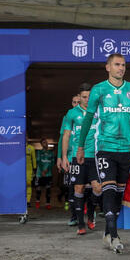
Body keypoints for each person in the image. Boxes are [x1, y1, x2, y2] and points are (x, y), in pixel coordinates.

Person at [77, 53, 130, 253]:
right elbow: (88, 119)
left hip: (126, 149)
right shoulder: (98, 90)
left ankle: (108, 232)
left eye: (124, 65)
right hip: (105, 148)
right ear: (107, 67)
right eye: (117, 64)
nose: (121, 68)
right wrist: (81, 146)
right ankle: (115, 235)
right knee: (107, 188)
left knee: (118, 193)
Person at [62, 83, 101, 235]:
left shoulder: (98, 111)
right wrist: (64, 156)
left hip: (95, 157)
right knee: (79, 188)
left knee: (97, 188)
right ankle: (80, 223)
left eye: (89, 97)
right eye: (84, 97)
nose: (87, 100)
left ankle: (91, 215)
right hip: (77, 158)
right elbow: (66, 135)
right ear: (79, 97)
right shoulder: (71, 114)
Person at [57, 95, 80, 225]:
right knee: (71, 187)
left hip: (85, 156)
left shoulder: (89, 115)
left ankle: (89, 212)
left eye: (78, 102)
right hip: (70, 158)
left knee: (86, 187)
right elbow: (61, 138)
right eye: (74, 102)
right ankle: (74, 216)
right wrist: (60, 157)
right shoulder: (67, 118)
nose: (76, 104)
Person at [35, 138, 55, 210]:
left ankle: (48, 203)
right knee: (38, 188)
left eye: (46, 142)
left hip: (48, 174)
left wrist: (47, 169)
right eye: (44, 142)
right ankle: (37, 201)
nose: (45, 144)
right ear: (41, 144)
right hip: (40, 174)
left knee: (48, 189)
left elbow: (52, 163)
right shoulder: (39, 152)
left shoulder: (51, 153)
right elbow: (38, 161)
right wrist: (42, 170)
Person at [26, 138, 37, 208]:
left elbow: (34, 159)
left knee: (28, 185)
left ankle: (28, 201)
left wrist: (35, 168)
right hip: (19, 170)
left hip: (29, 170)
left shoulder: (31, 148)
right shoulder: (18, 146)